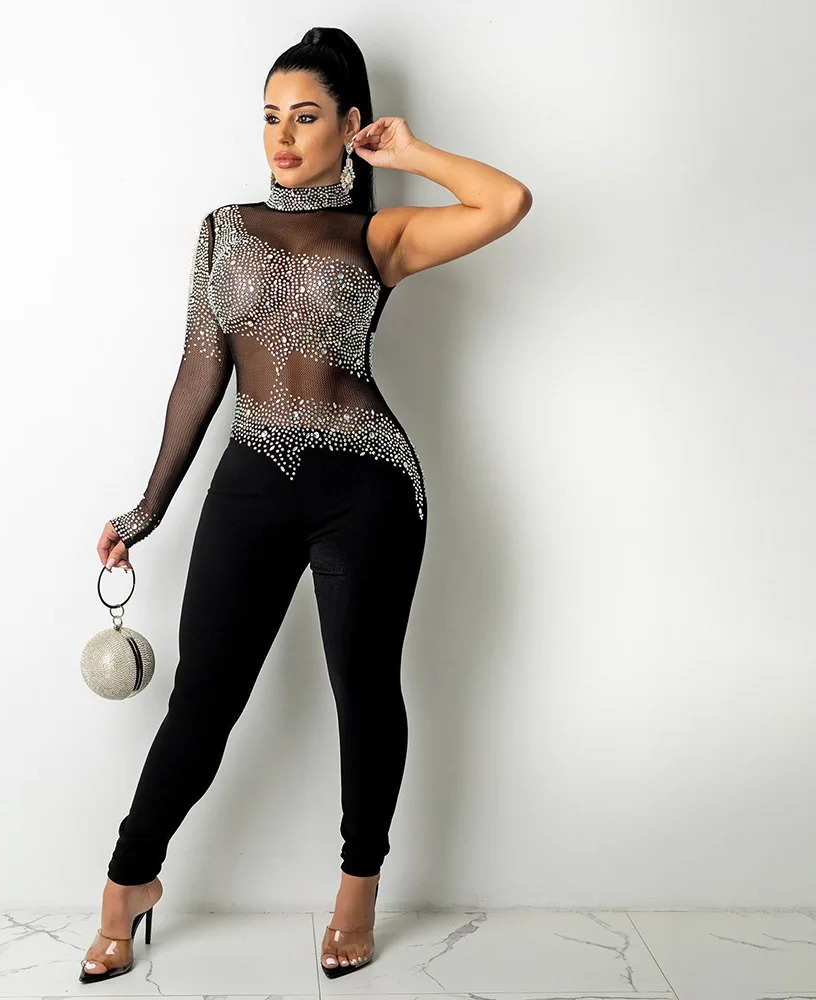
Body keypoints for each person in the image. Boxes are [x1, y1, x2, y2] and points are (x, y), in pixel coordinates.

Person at [81, 25, 531, 985]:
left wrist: (407, 153)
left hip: (367, 486)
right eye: (271, 118)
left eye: (306, 116)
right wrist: (146, 510)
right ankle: (128, 882)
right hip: (251, 481)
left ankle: (357, 890)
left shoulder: (379, 235)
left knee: (363, 692)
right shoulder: (223, 228)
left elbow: (506, 202)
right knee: (204, 700)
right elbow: (199, 372)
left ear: (348, 124)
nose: (282, 137)